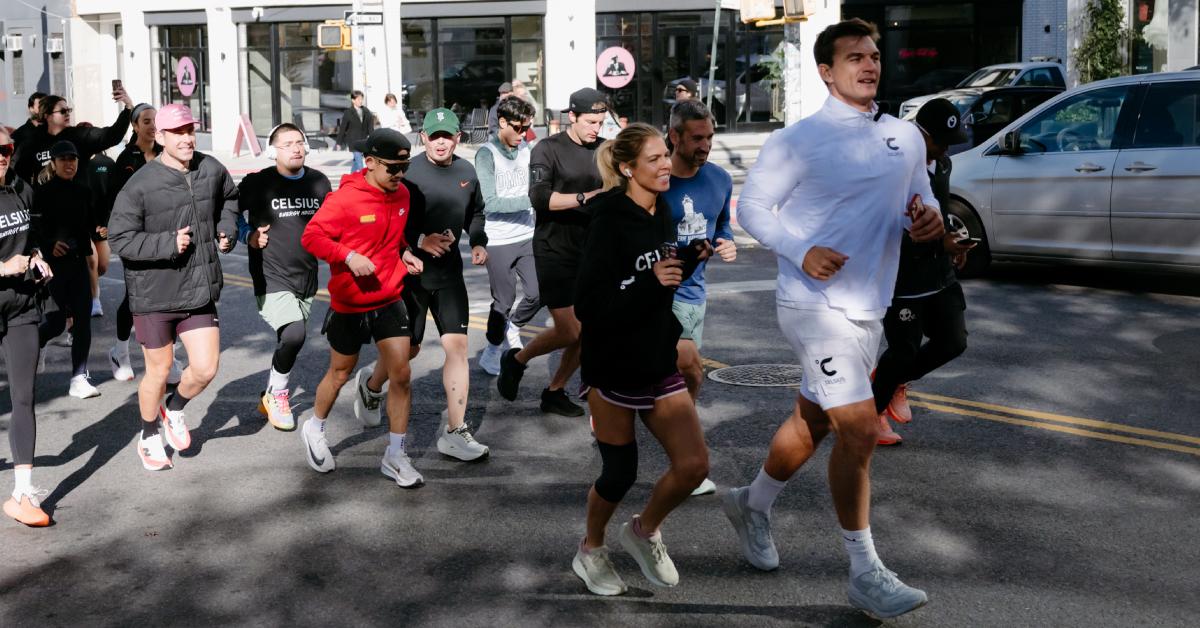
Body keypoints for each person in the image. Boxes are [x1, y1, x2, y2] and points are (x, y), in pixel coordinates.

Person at [721, 19, 945, 620]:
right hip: (811, 304)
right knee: (861, 428)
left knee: (813, 420)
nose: (869, 66)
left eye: (874, 57)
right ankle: (864, 570)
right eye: (854, 58)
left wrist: (928, 221)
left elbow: (919, 202)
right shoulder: (799, 140)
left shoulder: (905, 137)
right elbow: (755, 210)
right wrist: (801, 249)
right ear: (826, 70)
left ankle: (752, 502)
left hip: (868, 305)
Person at [570, 123, 712, 596]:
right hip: (613, 362)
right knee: (619, 473)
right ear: (628, 168)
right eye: (653, 159)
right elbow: (590, 306)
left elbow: (660, 278)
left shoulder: (664, 208)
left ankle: (643, 530)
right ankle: (590, 551)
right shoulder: (608, 219)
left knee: (693, 467)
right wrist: (651, 280)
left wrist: (691, 260)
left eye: (665, 156)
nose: (665, 164)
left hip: (656, 355)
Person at [108, 103, 239, 472]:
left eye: (190, 130)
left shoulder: (210, 168)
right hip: (155, 294)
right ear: (160, 136)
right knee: (160, 369)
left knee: (205, 368)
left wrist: (226, 229)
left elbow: (230, 198)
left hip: (198, 287)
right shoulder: (141, 183)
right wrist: (167, 243)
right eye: (177, 133)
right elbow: (120, 237)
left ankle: (174, 408)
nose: (186, 138)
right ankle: (149, 433)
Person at [299, 128, 426, 486]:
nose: (401, 175)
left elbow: (394, 235)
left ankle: (396, 455)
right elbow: (312, 236)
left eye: (405, 166)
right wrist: (349, 255)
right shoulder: (344, 200)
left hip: (389, 297)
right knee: (340, 372)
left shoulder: (401, 194)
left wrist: (405, 253)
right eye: (393, 168)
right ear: (369, 163)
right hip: (350, 303)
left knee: (401, 374)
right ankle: (315, 427)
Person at [375, 108, 489, 461]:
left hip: (449, 275)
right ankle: (370, 385)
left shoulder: (467, 172)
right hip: (411, 275)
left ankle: (455, 431)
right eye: (434, 135)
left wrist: (479, 240)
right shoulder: (407, 174)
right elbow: (388, 222)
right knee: (407, 352)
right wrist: (420, 240)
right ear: (422, 137)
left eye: (448, 136)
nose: (441, 142)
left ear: (458, 138)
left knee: (457, 349)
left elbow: (476, 212)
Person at [496, 87, 608, 417]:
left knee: (587, 330)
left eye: (601, 123)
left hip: (592, 251)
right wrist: (587, 197)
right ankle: (517, 360)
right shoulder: (548, 148)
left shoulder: (605, 150)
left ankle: (555, 391)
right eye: (590, 122)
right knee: (571, 329)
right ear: (571, 116)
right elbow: (539, 198)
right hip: (553, 250)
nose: (596, 129)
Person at [873, 98, 975, 445]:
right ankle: (872, 416)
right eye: (938, 142)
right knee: (903, 349)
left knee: (954, 341)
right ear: (919, 134)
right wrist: (937, 243)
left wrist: (952, 242)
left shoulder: (941, 165)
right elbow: (884, 226)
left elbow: (938, 212)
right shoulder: (894, 166)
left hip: (939, 273)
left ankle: (894, 378)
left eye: (949, 144)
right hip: (901, 277)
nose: (944, 150)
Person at [663, 100, 737, 497]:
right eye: (697, 138)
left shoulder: (720, 179)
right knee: (689, 366)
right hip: (655, 294)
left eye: (709, 136)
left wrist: (726, 242)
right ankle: (687, 461)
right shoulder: (656, 179)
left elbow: (721, 224)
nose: (705, 145)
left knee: (683, 377)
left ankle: (611, 403)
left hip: (694, 292)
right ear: (675, 136)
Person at [238, 123, 332, 431]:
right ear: (272, 151)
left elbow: (334, 222)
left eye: (299, 142)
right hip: (270, 274)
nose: (295, 148)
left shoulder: (319, 183)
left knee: (288, 338)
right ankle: (278, 394)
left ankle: (269, 392)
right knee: (294, 334)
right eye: (287, 143)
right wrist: (246, 235)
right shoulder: (257, 183)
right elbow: (227, 212)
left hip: (306, 275)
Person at [0, 129, 55, 526]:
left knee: (24, 396)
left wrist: (36, 256)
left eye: (5, 149)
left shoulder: (19, 189)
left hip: (20, 307)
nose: (2, 156)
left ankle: (22, 493)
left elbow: (30, 235)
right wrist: (1, 268)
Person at [105, 104, 181, 384]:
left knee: (170, 293)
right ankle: (120, 351)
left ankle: (168, 355)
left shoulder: (167, 155)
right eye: (146, 121)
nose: (152, 125)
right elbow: (115, 200)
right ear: (135, 126)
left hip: (169, 234)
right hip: (136, 236)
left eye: (155, 121)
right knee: (137, 294)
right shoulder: (127, 159)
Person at [475, 96, 540, 376]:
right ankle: (491, 349)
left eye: (527, 128)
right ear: (502, 122)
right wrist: (531, 200)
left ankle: (513, 327)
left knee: (538, 293)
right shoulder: (487, 153)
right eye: (518, 128)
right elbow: (490, 202)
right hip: (499, 239)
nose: (523, 134)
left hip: (527, 233)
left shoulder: (527, 149)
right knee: (503, 300)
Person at [32, 141, 101, 399]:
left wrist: (101, 230)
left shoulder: (83, 191)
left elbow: (92, 224)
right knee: (57, 321)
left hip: (77, 264)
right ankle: (34, 347)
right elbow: (35, 229)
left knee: (82, 320)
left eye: (73, 158)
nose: (69, 163)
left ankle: (78, 376)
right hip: (52, 267)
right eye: (63, 159)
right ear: (53, 163)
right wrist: (50, 246)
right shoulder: (42, 193)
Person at [12, 89, 132, 186]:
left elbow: (112, 135)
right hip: (47, 207)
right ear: (47, 116)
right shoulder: (33, 140)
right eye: (63, 111)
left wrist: (128, 108)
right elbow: (19, 171)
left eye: (69, 110)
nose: (68, 113)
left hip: (77, 203)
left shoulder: (79, 136)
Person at [76, 123, 115, 319]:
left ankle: (87, 284)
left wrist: (108, 224)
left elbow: (114, 195)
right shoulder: (73, 162)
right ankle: (95, 300)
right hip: (81, 224)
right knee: (91, 259)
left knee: (102, 266)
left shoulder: (106, 163)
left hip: (101, 224)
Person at [335, 90, 375, 173]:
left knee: (355, 162)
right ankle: (362, 179)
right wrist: (338, 142)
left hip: (363, 141)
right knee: (360, 163)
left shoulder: (366, 111)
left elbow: (370, 128)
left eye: (361, 99)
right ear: (353, 100)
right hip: (353, 142)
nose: (360, 101)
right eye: (358, 99)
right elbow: (343, 128)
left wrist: (373, 139)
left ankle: (351, 177)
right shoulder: (348, 112)